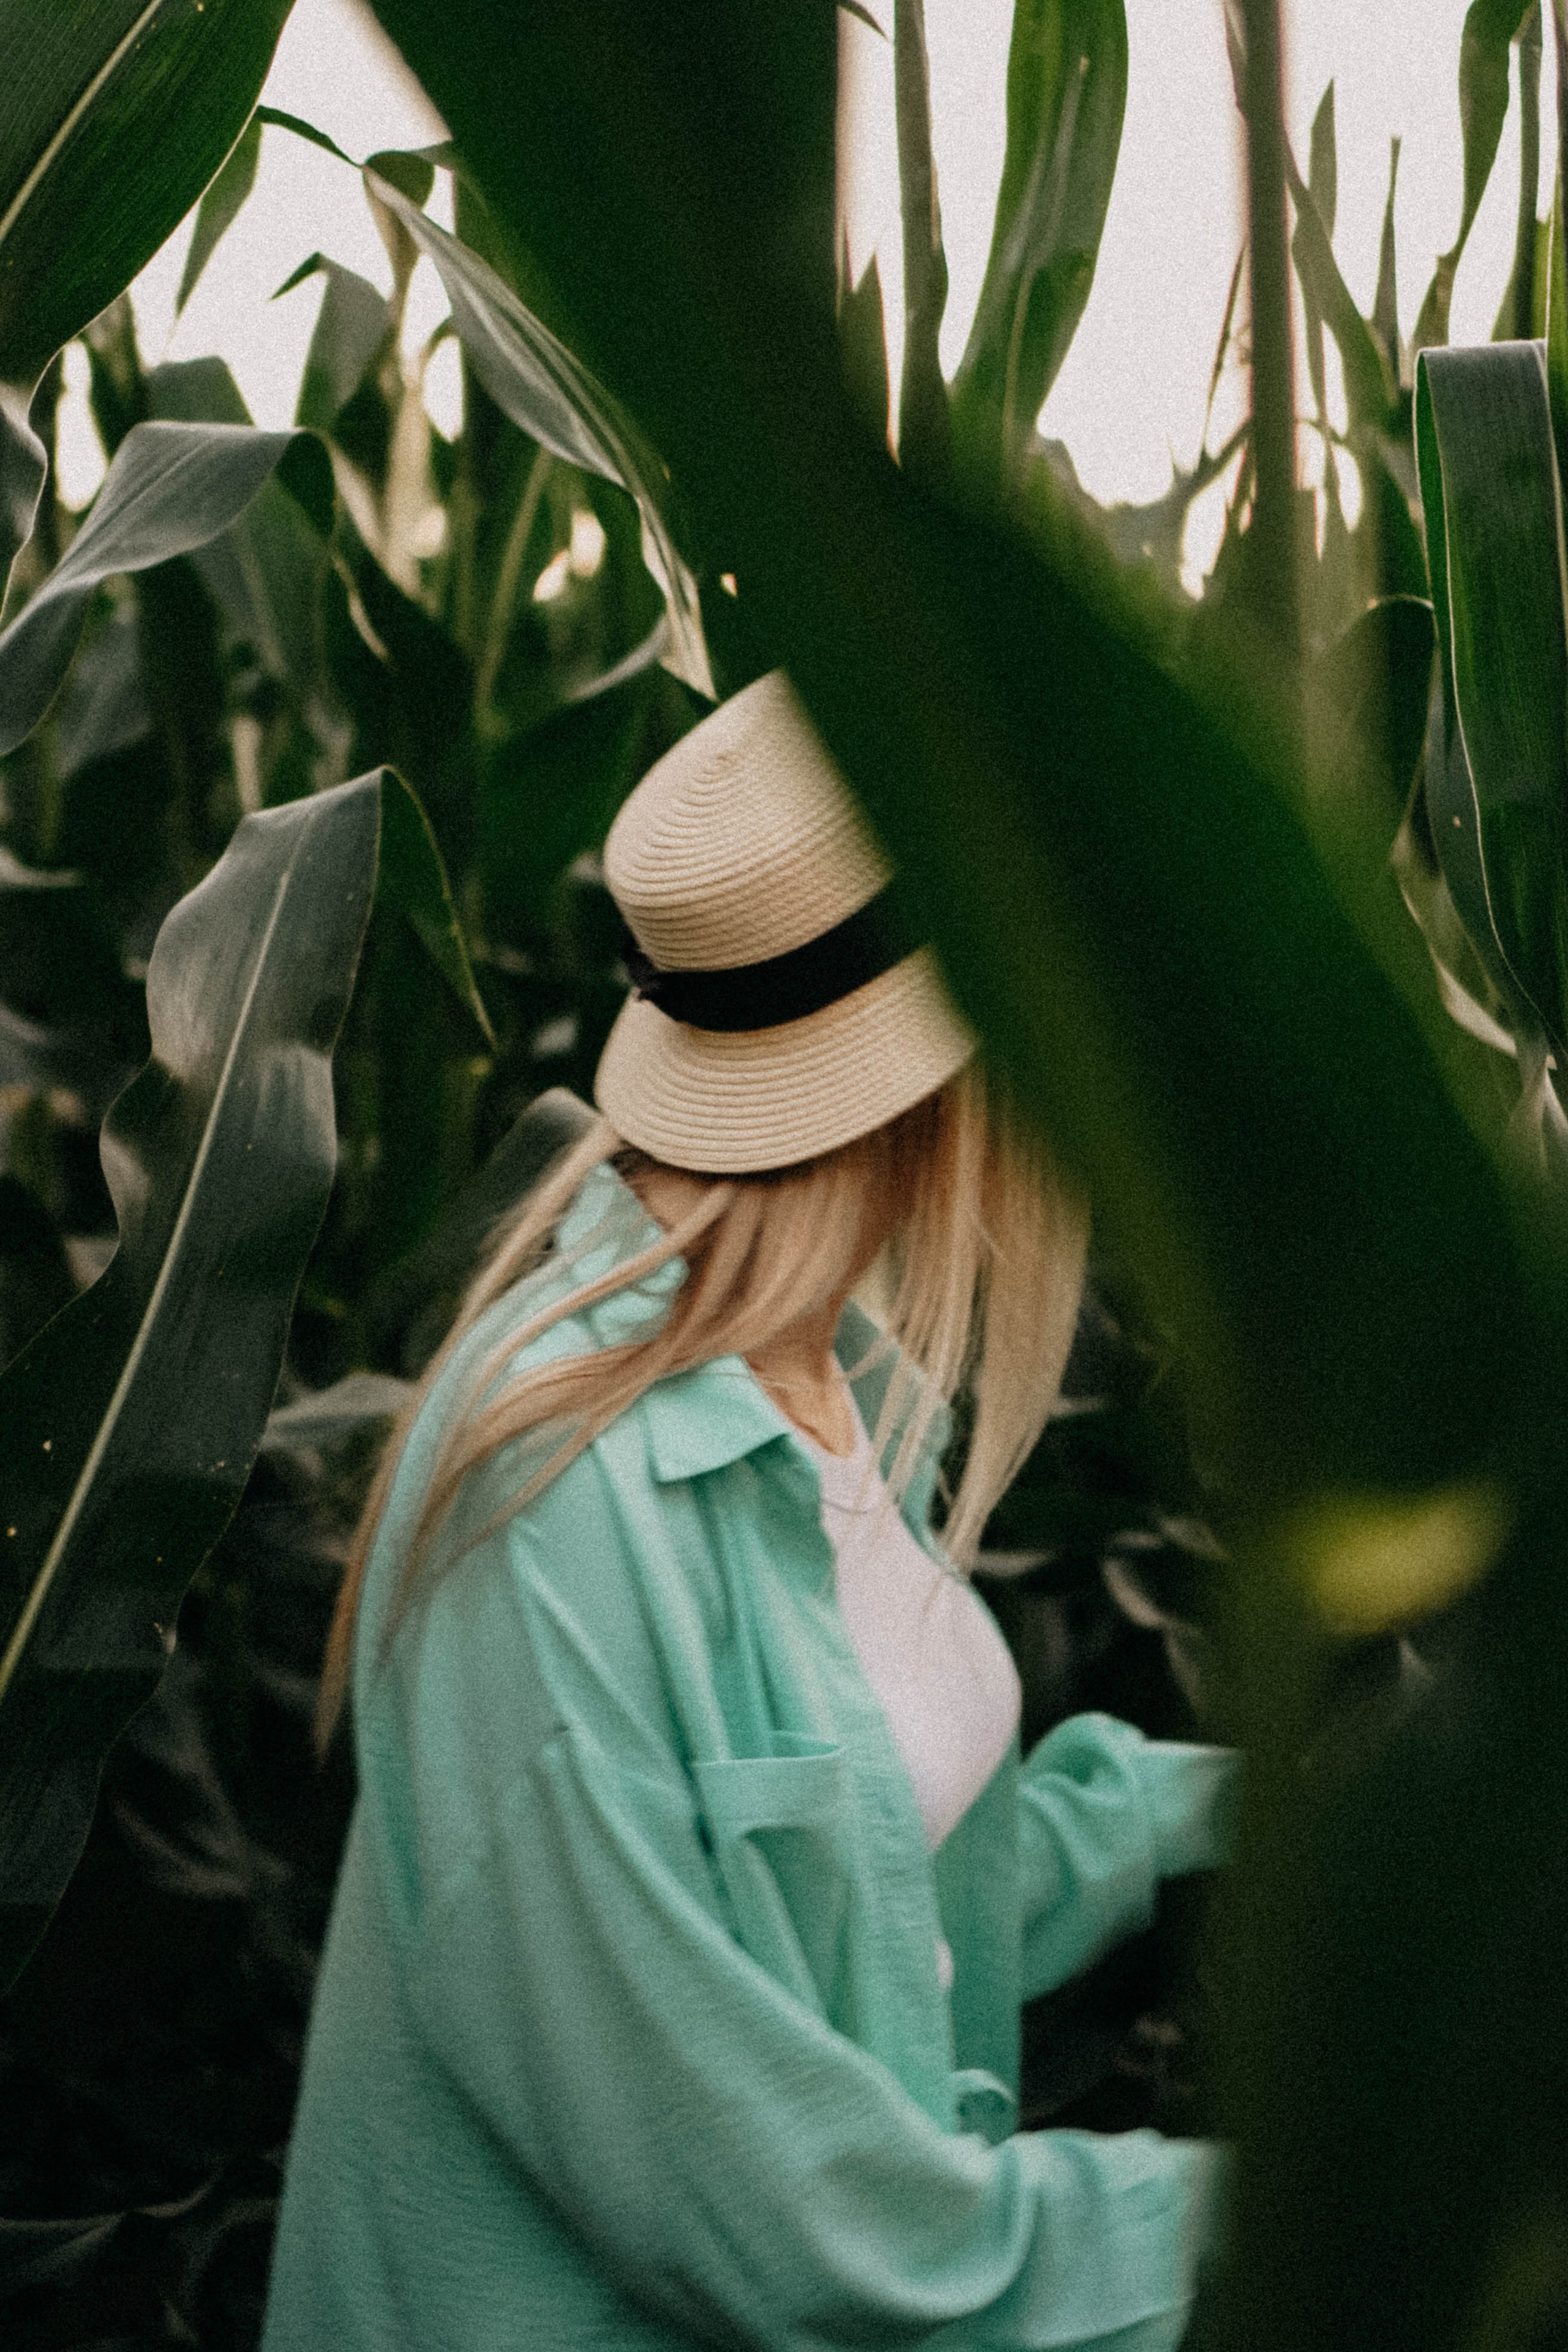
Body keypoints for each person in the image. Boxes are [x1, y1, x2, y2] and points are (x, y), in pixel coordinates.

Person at [263, 670, 1235, 2351]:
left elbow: (871, 1892)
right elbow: (775, 2214)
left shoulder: (823, 1369)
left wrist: (1272, 1804)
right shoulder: (551, 1500)